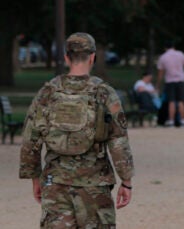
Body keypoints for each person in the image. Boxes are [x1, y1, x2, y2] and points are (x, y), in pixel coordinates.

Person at [19, 33, 134, 226]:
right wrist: (126, 181)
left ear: (66, 57)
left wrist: (34, 178)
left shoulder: (47, 92)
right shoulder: (104, 93)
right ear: (92, 57)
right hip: (95, 185)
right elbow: (118, 140)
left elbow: (31, 138)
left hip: (55, 182)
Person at [157, 41, 184, 127]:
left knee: (171, 101)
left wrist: (158, 83)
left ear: (165, 48)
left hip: (170, 81)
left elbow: (161, 72)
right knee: (181, 101)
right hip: (180, 80)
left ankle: (171, 121)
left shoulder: (163, 57)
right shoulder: (180, 54)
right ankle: (182, 121)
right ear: (174, 47)